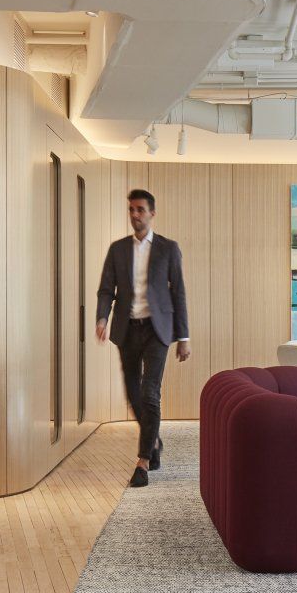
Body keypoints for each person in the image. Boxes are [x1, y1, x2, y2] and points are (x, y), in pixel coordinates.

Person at [95, 189, 190, 487]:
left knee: (150, 393)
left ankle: (143, 462)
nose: (135, 215)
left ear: (152, 213)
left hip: (157, 330)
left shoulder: (168, 248)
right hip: (127, 329)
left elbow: (178, 293)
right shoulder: (118, 249)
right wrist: (102, 318)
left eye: (140, 210)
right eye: (131, 210)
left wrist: (184, 336)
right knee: (134, 395)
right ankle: (154, 442)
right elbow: (106, 289)